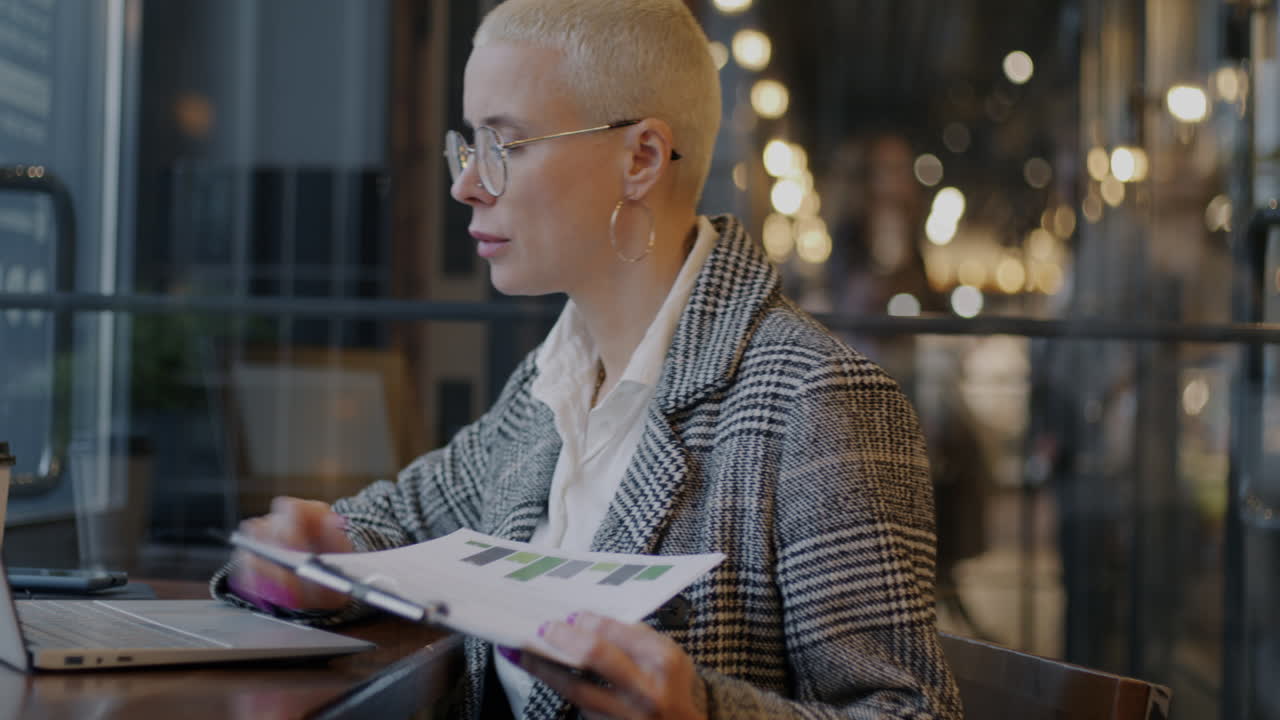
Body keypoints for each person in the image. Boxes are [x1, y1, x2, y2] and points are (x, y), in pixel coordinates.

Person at [213, 1, 962, 717]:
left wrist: (700, 712)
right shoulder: (555, 383)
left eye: (504, 145)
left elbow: (906, 712)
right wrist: (309, 560)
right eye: (468, 144)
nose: (465, 183)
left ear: (640, 158)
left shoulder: (817, 400)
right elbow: (393, 525)